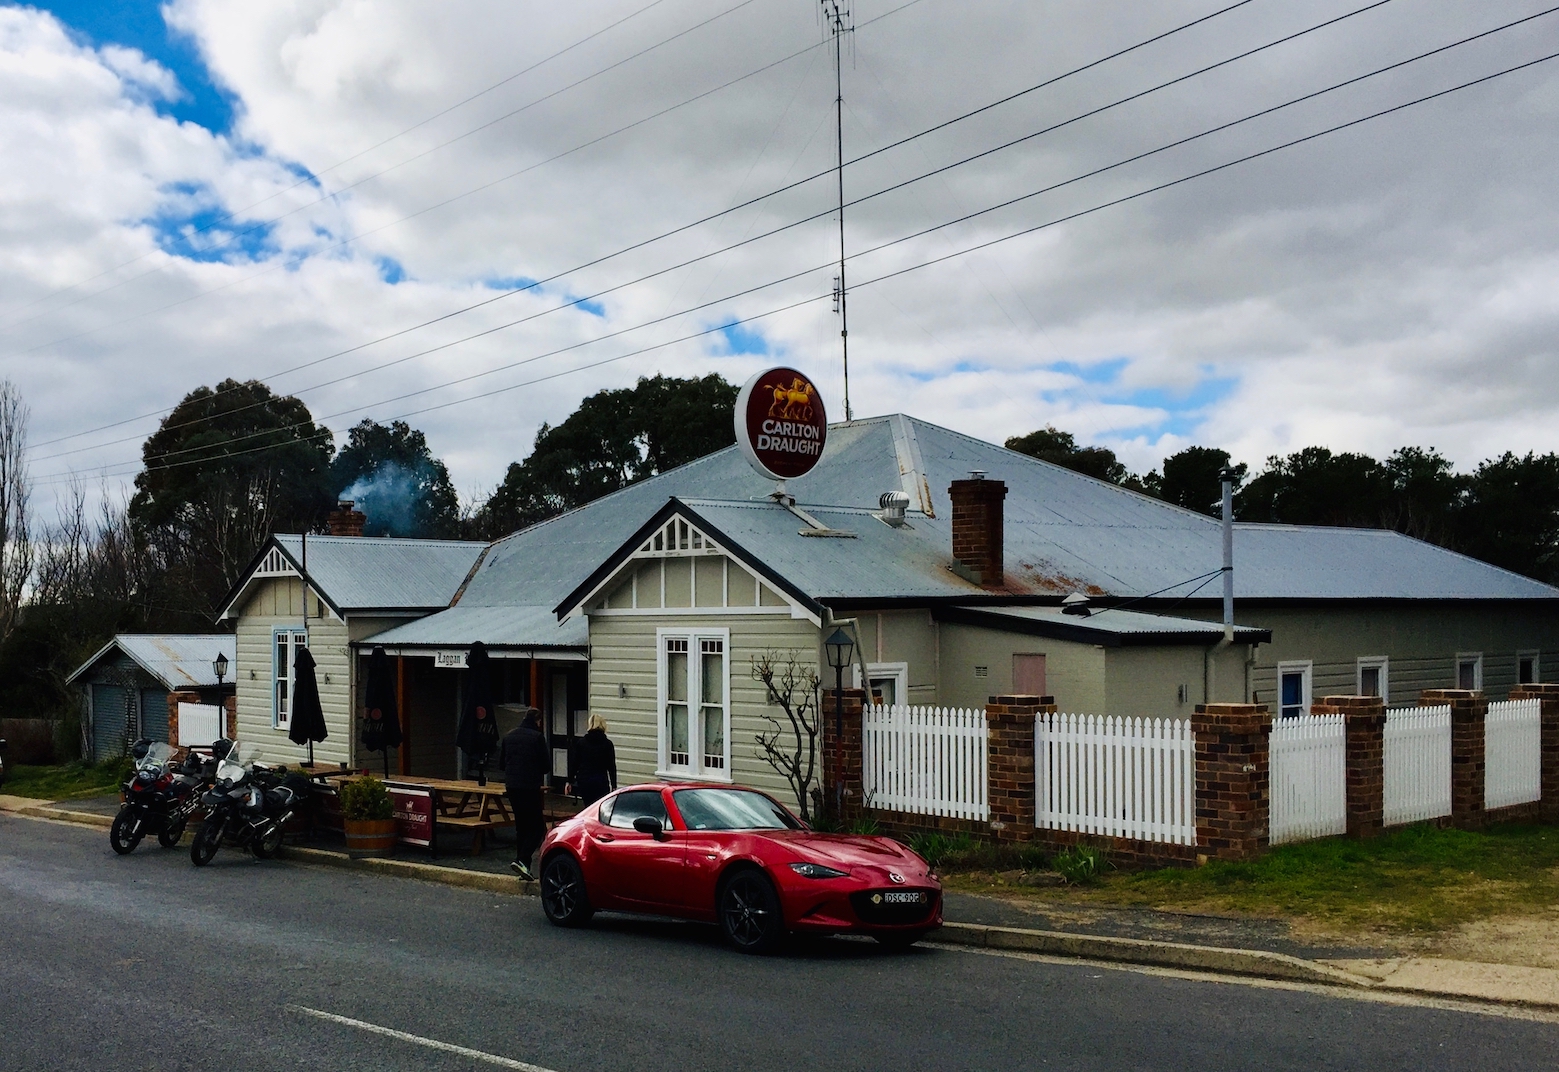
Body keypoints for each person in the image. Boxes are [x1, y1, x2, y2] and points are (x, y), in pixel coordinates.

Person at [497, 707, 549, 880]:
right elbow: (546, 766)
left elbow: (501, 764)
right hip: (529, 786)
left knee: (521, 825)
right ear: (538, 721)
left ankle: (523, 865)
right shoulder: (537, 738)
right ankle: (522, 859)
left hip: (512, 785)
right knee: (537, 827)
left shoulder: (509, 736)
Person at [566, 714, 618, 806]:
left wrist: (569, 781)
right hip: (600, 780)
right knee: (600, 807)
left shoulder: (581, 743)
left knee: (588, 806)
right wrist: (614, 785)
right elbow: (611, 766)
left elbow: (575, 763)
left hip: (585, 780)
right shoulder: (607, 744)